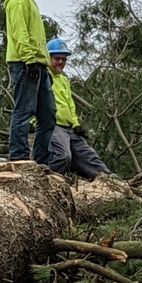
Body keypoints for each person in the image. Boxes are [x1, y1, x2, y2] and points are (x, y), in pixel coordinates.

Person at [3, 0, 56, 165]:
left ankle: (42, 161)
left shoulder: (31, 3)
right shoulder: (18, 0)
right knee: (23, 111)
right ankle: (18, 157)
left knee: (48, 114)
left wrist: (41, 64)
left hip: (39, 65)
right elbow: (19, 33)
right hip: (25, 63)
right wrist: (29, 59)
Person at [43, 38, 107, 180]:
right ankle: (51, 183)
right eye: (57, 58)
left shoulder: (64, 80)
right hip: (53, 125)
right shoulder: (43, 76)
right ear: (48, 57)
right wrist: (35, 121)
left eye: (64, 59)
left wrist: (76, 123)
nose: (61, 62)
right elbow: (34, 101)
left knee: (89, 156)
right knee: (62, 155)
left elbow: (70, 104)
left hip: (68, 127)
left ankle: (111, 182)